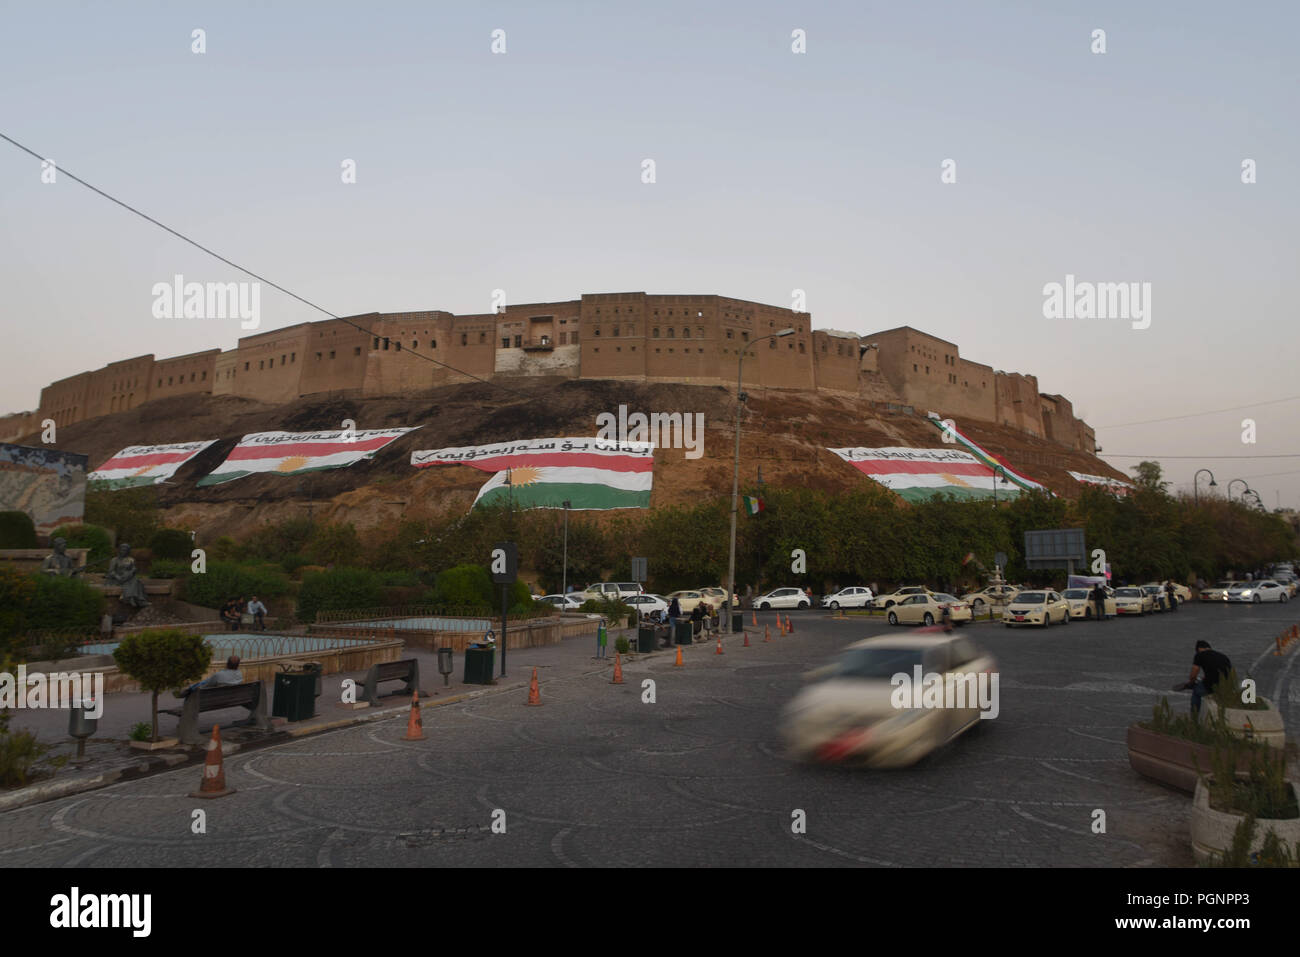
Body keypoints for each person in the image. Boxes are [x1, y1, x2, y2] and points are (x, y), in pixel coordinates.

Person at [1180, 641, 1231, 716]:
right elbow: (1223, 672)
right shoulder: (1223, 656)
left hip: (1211, 687)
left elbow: (1193, 675)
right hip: (1225, 686)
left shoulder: (1199, 655)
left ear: (1199, 649)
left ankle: (1194, 718)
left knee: (1196, 692)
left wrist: (1191, 683)